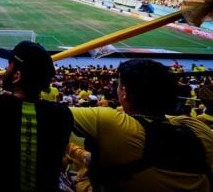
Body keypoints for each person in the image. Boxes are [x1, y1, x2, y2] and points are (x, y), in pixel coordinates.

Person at [70, 59, 213, 191]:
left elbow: (50, 113)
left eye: (119, 85)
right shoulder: (196, 126)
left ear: (124, 92)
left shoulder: (110, 121)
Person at [0, 41, 73, 191]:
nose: (6, 70)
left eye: (9, 66)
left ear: (17, 76)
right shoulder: (62, 115)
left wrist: (6, 96)